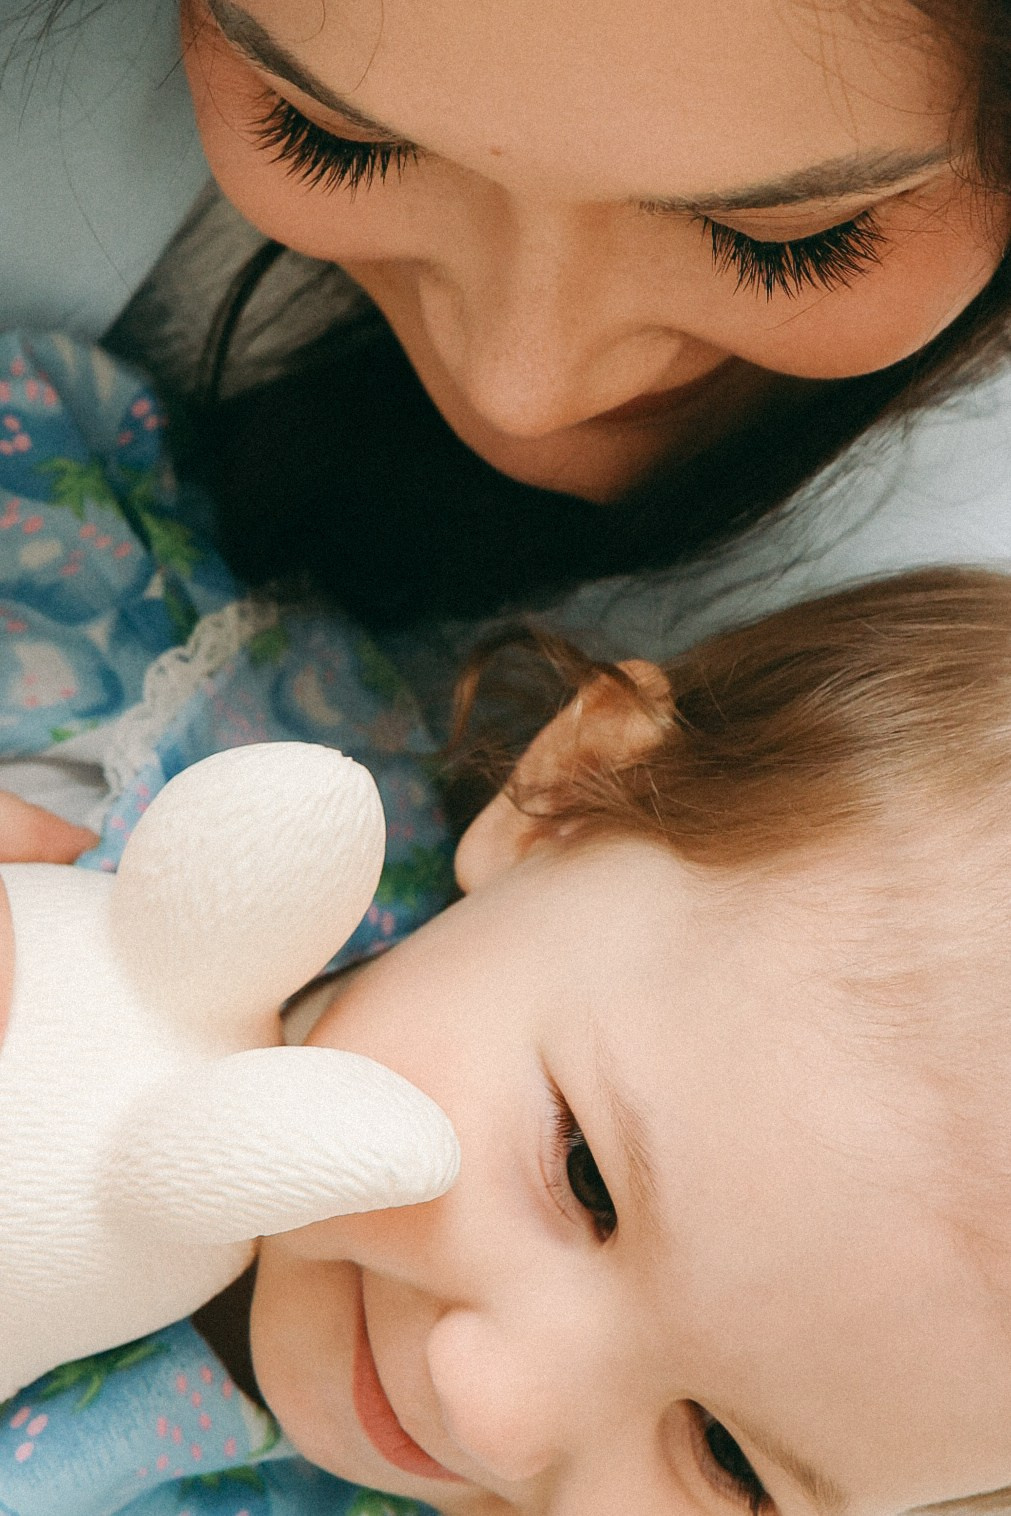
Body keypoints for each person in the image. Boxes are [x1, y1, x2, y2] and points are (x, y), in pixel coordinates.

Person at [8, 558, 1011, 1516]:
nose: (492, 1416)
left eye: (727, 1455)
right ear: (571, 792)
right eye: (585, 1176)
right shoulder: (136, 664)